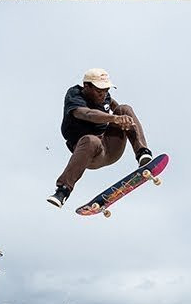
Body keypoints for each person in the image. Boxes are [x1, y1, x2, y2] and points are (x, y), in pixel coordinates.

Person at [47, 68, 153, 208]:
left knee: (124, 109)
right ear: (86, 86)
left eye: (106, 90)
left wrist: (123, 119)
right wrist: (114, 118)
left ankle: (142, 153)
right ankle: (63, 191)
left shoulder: (106, 96)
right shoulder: (75, 96)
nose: (103, 95)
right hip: (91, 154)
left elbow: (118, 110)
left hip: (111, 145)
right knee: (91, 140)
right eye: (99, 91)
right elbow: (87, 114)